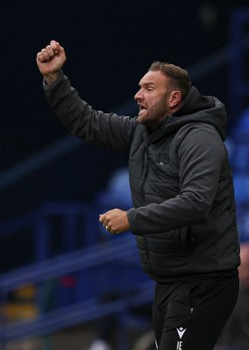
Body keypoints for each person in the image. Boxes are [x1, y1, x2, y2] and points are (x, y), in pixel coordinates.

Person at [36, 40, 240, 350]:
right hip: (169, 280)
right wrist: (55, 79)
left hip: (204, 282)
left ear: (173, 98)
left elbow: (196, 202)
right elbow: (88, 123)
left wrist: (132, 219)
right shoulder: (141, 134)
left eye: (147, 88)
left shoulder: (199, 137)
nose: (137, 95)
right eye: (139, 88)